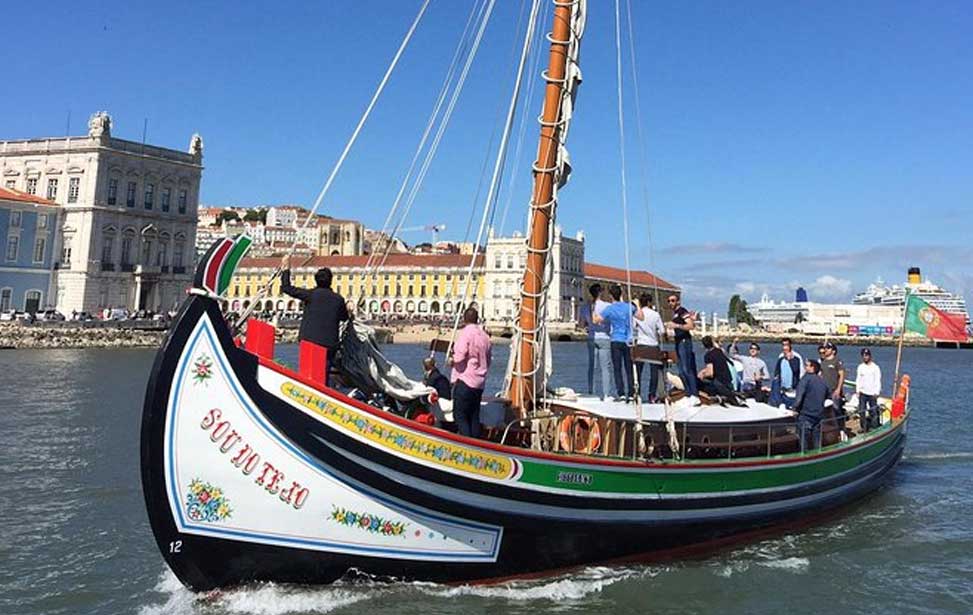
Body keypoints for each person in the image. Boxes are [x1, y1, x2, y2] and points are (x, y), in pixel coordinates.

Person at [280, 255, 351, 382]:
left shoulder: (310, 295)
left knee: (307, 375)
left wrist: (286, 268)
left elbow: (287, 288)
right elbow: (344, 318)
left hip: (309, 342)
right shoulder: (338, 299)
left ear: (316, 281)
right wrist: (349, 310)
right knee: (323, 376)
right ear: (331, 281)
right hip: (329, 344)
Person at [449, 306, 492, 438]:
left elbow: (460, 356)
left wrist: (452, 360)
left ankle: (467, 443)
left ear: (464, 319)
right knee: (474, 416)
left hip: (465, 380)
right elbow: (489, 360)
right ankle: (476, 443)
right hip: (479, 383)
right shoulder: (485, 337)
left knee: (460, 416)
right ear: (477, 319)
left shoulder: (466, 334)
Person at [593, 285, 635, 401]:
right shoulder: (629, 307)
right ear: (621, 294)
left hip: (615, 340)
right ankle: (631, 393)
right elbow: (640, 317)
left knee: (617, 368)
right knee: (629, 368)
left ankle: (621, 393)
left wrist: (593, 310)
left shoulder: (610, 309)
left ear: (611, 295)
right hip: (628, 341)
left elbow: (596, 320)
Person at [579, 283, 612, 399]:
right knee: (605, 368)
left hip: (592, 337)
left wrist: (589, 326)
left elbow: (582, 324)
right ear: (601, 293)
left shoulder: (585, 307)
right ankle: (606, 394)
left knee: (592, 366)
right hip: (605, 337)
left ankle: (591, 391)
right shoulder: (607, 306)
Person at [632, 293, 665, 402]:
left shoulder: (636, 314)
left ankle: (637, 394)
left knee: (638, 371)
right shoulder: (655, 315)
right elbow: (662, 331)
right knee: (654, 372)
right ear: (650, 302)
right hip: (653, 345)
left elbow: (633, 327)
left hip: (641, 344)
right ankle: (651, 395)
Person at [793, 359, 829, 452]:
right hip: (818, 415)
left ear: (813, 368)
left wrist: (794, 408)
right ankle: (819, 457)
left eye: (807, 365)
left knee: (804, 442)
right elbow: (828, 396)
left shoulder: (805, 379)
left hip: (806, 415)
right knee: (817, 441)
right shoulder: (823, 381)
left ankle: (803, 458)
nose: (805, 367)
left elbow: (799, 396)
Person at [667, 294, 699, 398]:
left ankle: (694, 393)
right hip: (678, 341)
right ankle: (688, 393)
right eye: (669, 301)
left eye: (673, 300)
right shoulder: (675, 314)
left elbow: (690, 325)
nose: (670, 303)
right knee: (681, 370)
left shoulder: (682, 311)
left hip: (684, 342)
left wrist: (676, 326)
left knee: (686, 369)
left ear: (678, 302)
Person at [819, 341, 846, 429]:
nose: (826, 350)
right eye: (825, 348)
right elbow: (821, 375)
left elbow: (842, 375)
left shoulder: (837, 361)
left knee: (837, 410)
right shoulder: (823, 362)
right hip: (825, 391)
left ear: (833, 351)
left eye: (828, 348)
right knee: (826, 411)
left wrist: (838, 389)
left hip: (834, 390)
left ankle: (841, 429)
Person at [771, 338, 804, 408]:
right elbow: (777, 372)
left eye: (786, 345)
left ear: (790, 346)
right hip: (782, 389)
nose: (785, 347)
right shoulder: (781, 357)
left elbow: (799, 372)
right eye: (783, 345)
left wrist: (791, 360)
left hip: (792, 390)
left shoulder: (796, 357)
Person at [855, 348, 882, 431]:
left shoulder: (875, 367)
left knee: (873, 410)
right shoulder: (860, 367)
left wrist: (877, 392)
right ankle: (863, 427)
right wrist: (857, 390)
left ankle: (874, 426)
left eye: (866, 355)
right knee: (861, 410)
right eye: (863, 356)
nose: (865, 357)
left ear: (870, 356)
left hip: (872, 393)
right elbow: (858, 379)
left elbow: (878, 380)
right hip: (863, 392)